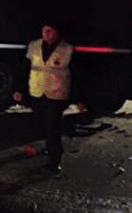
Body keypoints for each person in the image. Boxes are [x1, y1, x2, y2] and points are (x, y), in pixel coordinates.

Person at [12, 21, 82, 174]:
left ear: (57, 32)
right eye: (44, 31)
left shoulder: (67, 49)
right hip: (38, 92)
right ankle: (51, 149)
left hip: (57, 94)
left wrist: (77, 99)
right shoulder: (34, 46)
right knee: (44, 124)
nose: (46, 34)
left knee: (53, 126)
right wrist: (19, 89)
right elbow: (25, 69)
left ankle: (54, 161)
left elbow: (75, 75)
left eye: (50, 31)